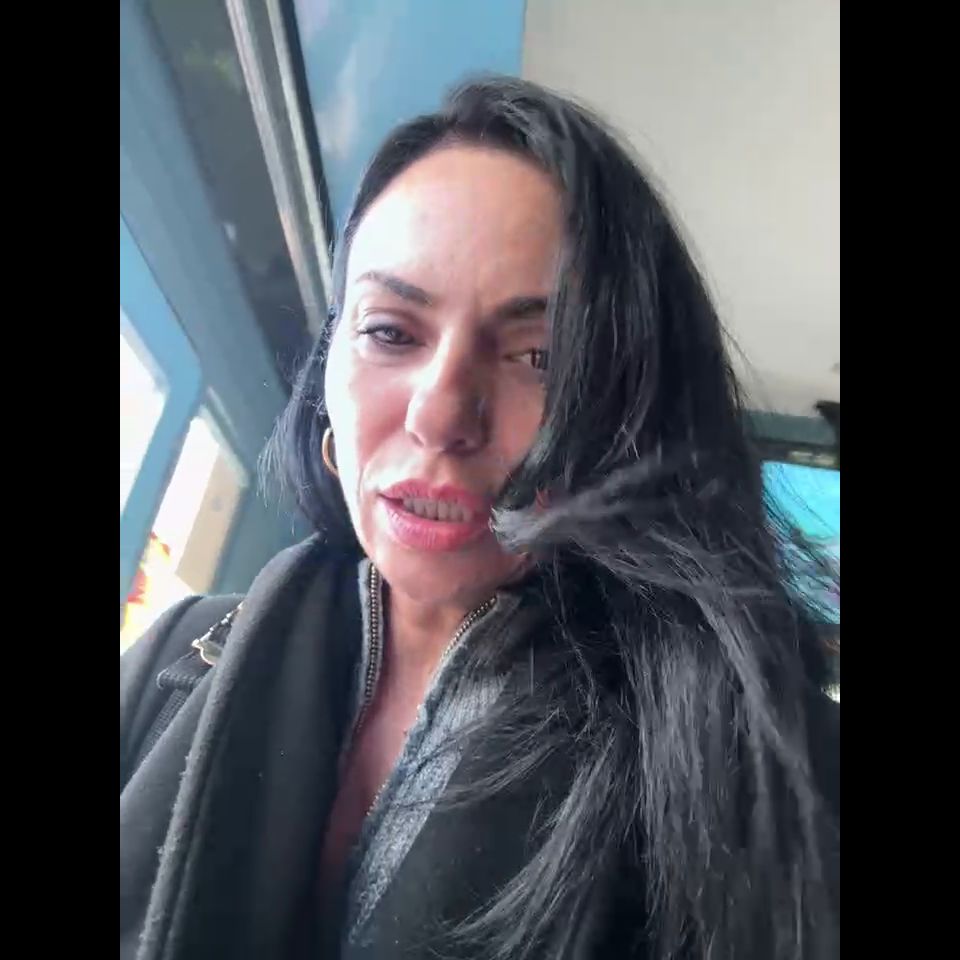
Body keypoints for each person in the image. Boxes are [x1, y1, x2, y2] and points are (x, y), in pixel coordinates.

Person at [120, 76, 839, 960]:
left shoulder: (768, 776)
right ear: (327, 371)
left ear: (632, 416)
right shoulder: (173, 661)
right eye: (390, 332)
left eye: (540, 357)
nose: (440, 414)